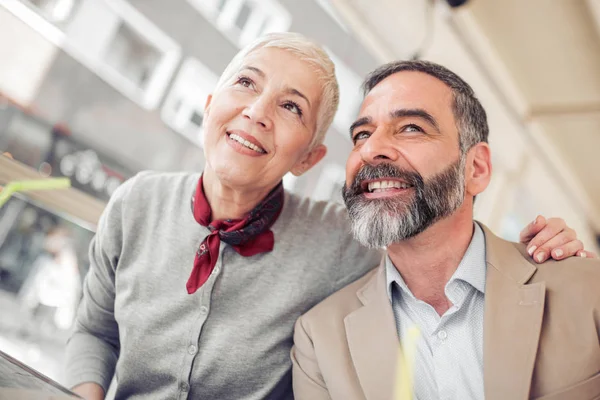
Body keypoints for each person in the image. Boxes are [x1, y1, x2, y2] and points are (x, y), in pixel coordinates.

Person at [64, 34, 590, 400]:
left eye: (291, 107)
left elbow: (428, 228)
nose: (257, 111)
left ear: (309, 158)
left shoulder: (345, 239)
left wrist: (538, 252)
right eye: (245, 83)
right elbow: (94, 332)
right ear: (209, 103)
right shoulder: (135, 204)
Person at [291, 60, 600, 400]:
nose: (370, 149)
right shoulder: (318, 341)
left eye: (411, 128)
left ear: (476, 169)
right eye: (361, 135)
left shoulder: (588, 290)